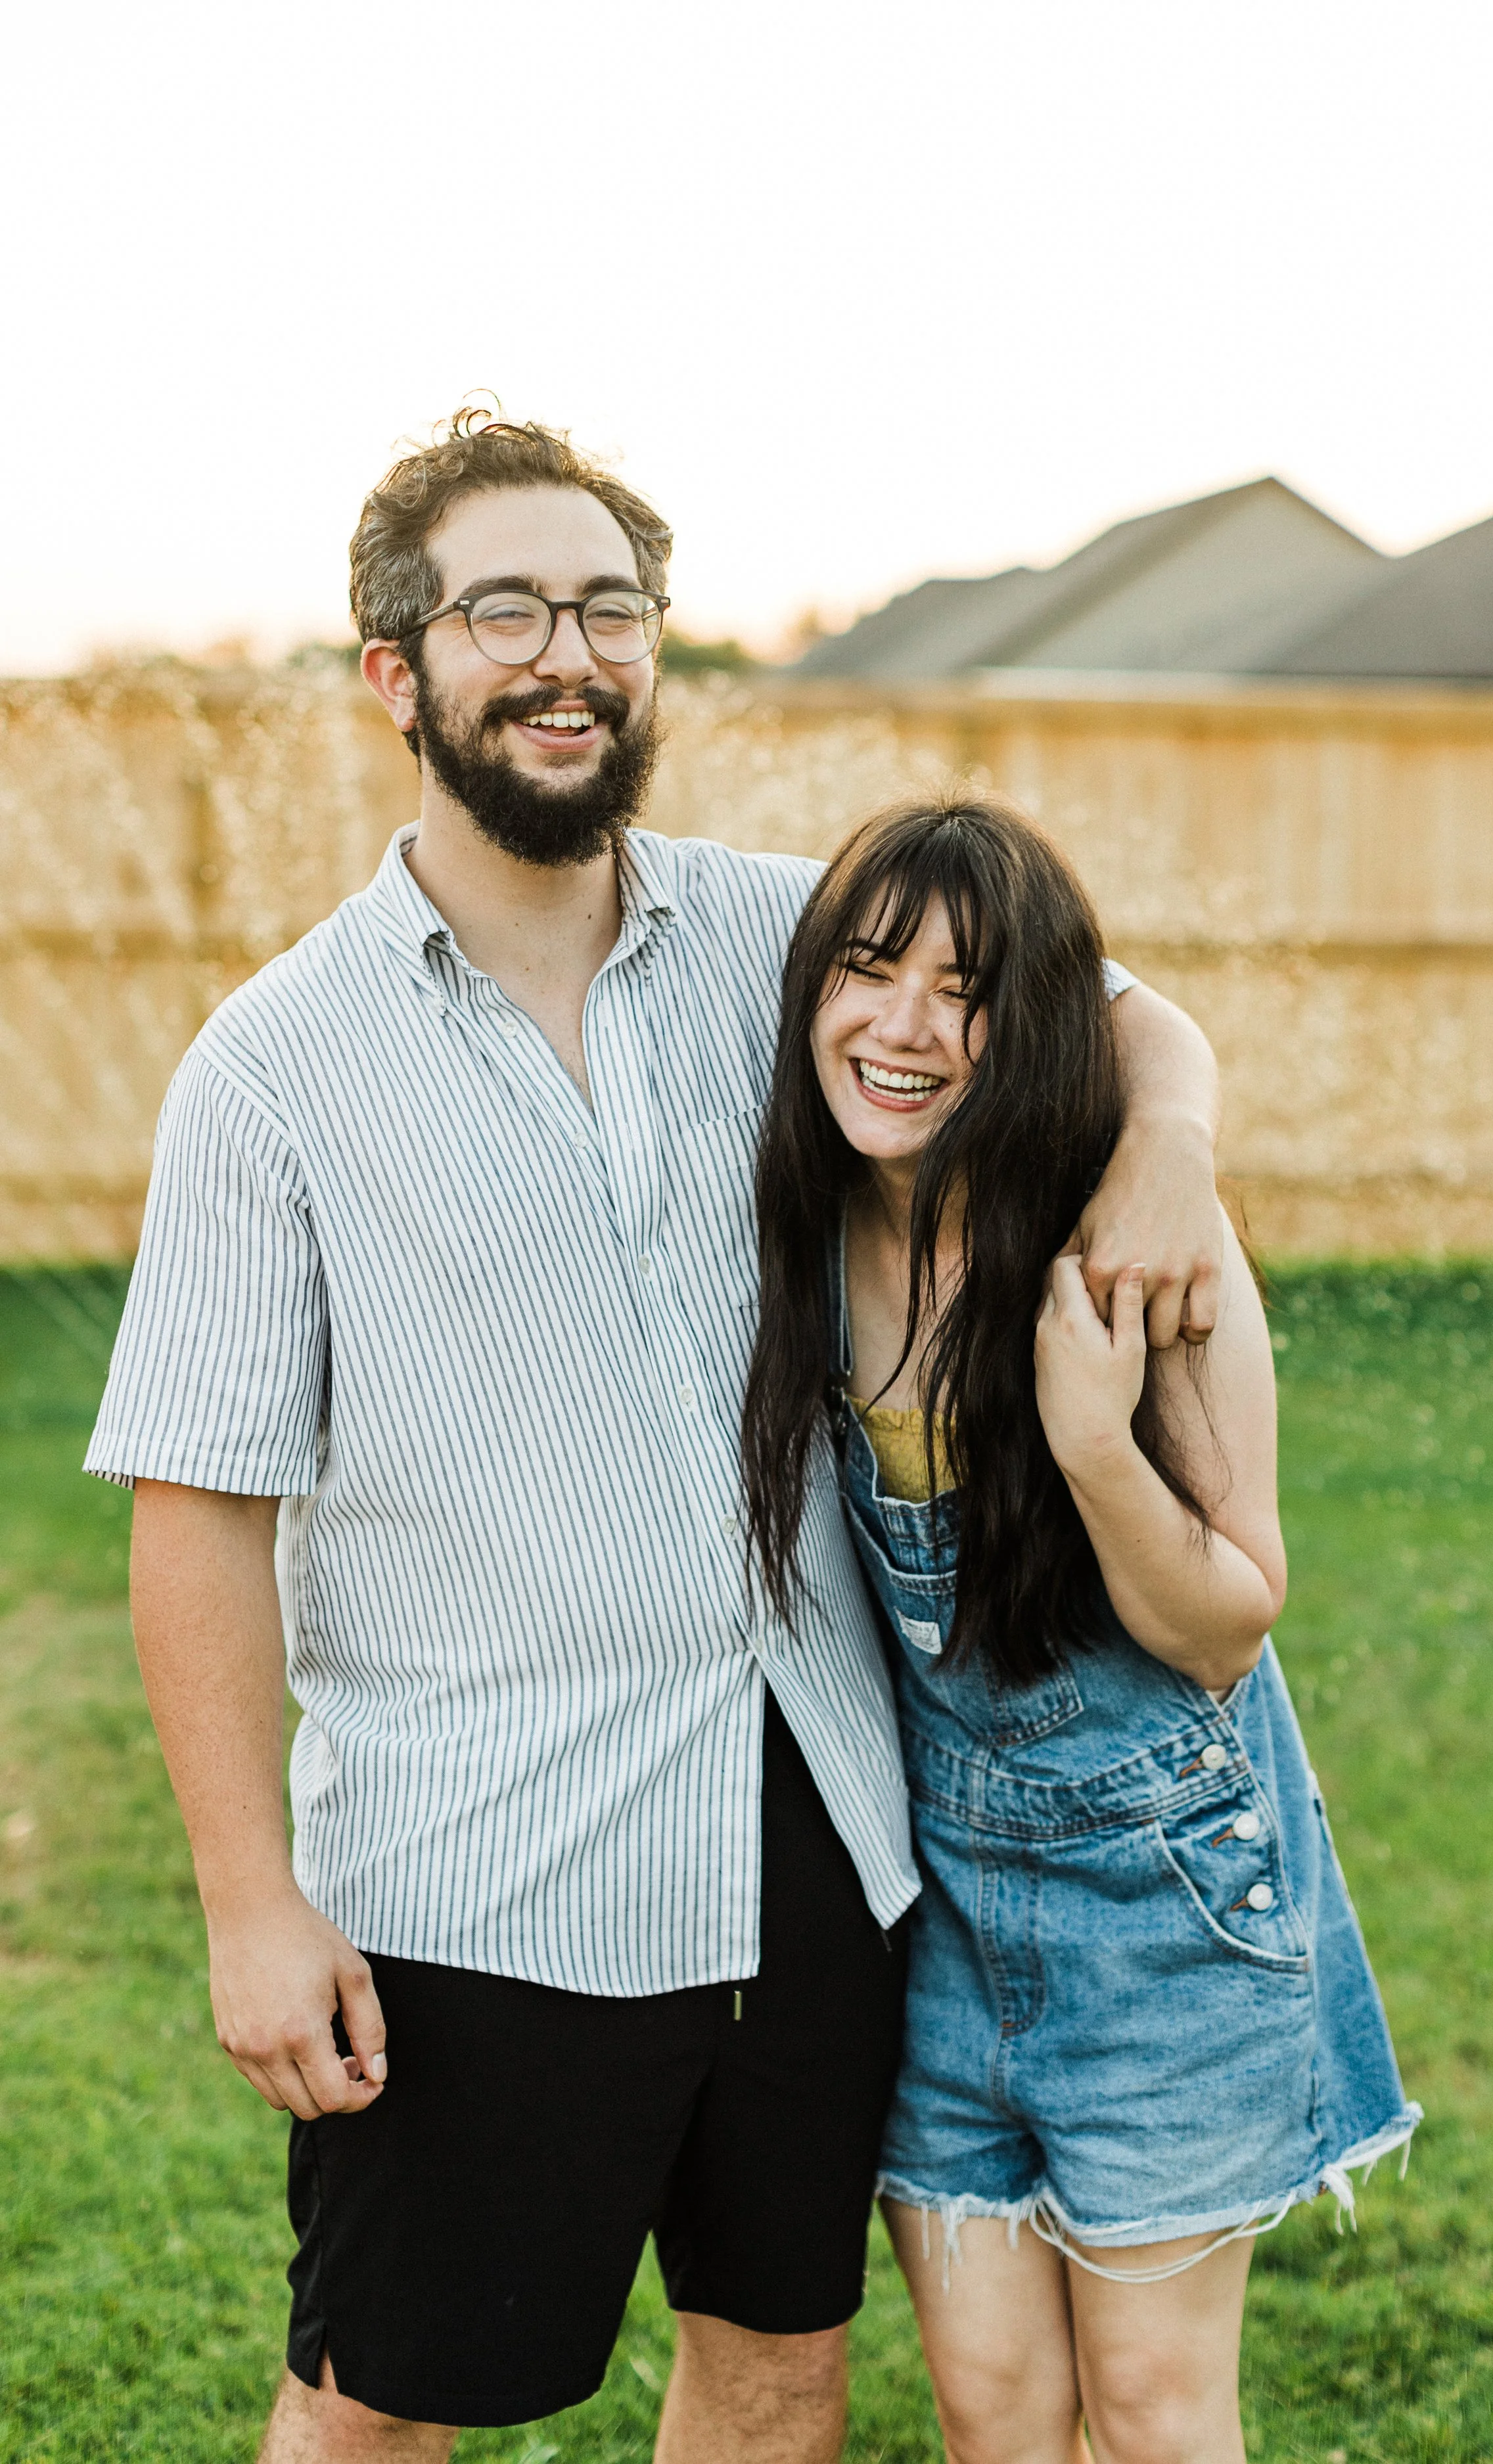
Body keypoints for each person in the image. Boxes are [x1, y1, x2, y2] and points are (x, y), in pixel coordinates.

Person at [85, 410, 1226, 2464]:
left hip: (815, 1828)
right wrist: (249, 1899)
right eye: (503, 604)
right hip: (476, 1875)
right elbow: (200, 1503)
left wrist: (1171, 1149)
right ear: (394, 673)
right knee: (377, 2406)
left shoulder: (797, 945)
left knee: (780, 2370)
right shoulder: (270, 1070)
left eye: (611, 604)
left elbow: (1110, 1000)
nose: (566, 650)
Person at [741, 798, 1420, 2464]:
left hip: (1165, 1922)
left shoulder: (1136, 1259)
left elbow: (1222, 1626)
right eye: (866, 966)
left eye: (962, 992)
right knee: (992, 2411)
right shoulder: (813, 1227)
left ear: (1032, 1026)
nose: (902, 1026)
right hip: (944, 1914)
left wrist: (1095, 1442)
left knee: (1152, 2413)